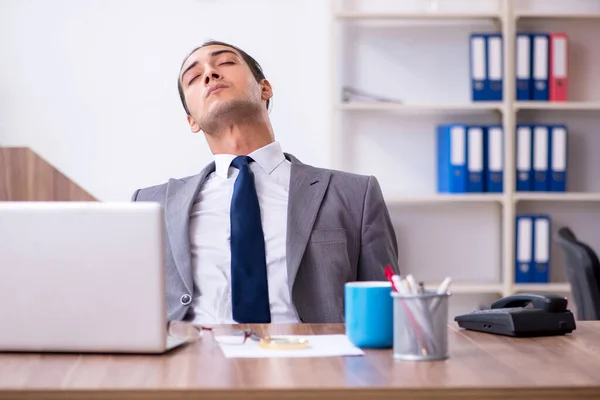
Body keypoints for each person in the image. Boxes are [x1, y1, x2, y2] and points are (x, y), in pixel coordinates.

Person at [131, 40, 399, 325]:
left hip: (310, 360)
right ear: (192, 121)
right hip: (192, 359)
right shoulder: (150, 205)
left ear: (264, 89)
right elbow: (130, 314)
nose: (209, 74)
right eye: (194, 78)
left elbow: (386, 318)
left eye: (224, 63)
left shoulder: (355, 195)